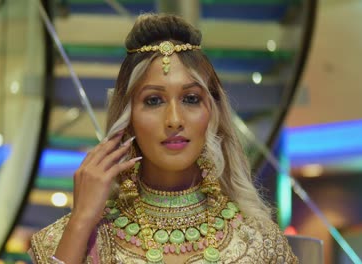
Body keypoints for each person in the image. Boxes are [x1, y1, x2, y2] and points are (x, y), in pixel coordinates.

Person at [29, 13, 298, 264]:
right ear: (128, 115)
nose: (174, 120)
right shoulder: (83, 234)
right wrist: (81, 220)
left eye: (191, 99)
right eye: (154, 100)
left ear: (213, 111)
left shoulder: (258, 240)